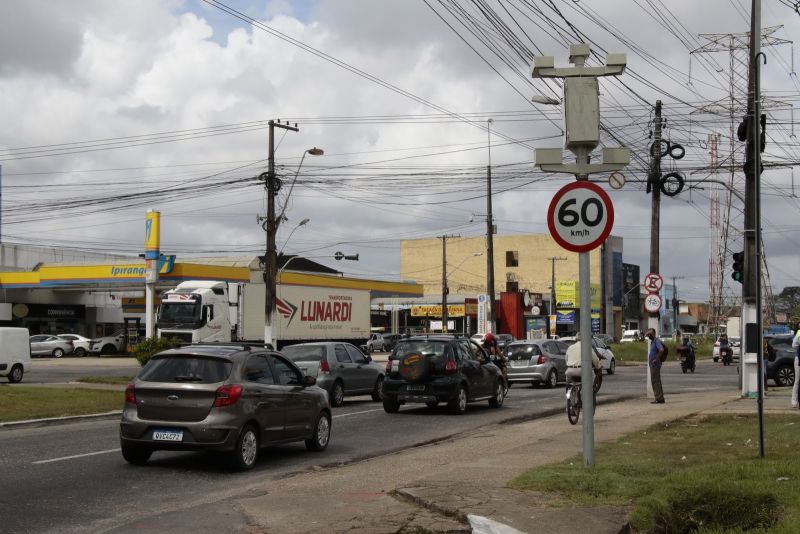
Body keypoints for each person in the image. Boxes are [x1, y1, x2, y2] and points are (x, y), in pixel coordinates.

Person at [646, 328, 666, 404]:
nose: (649, 336)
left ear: (654, 334)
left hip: (655, 365)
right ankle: (660, 398)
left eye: (650, 334)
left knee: (655, 382)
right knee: (656, 381)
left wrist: (656, 359)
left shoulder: (656, 341)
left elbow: (661, 350)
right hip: (653, 365)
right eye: (648, 334)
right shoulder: (653, 342)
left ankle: (658, 398)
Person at [792, 324, 800, 409]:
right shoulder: (798, 333)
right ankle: (794, 401)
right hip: (798, 358)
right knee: (797, 380)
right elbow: (794, 345)